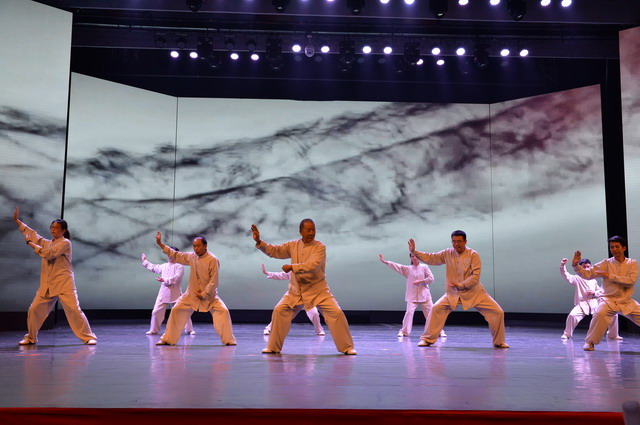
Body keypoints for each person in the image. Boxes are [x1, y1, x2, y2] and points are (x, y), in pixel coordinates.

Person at [251, 219, 356, 355]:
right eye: (308, 230)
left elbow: (313, 265)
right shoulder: (293, 245)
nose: (311, 232)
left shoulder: (319, 247)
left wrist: (292, 267)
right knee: (279, 310)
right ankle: (273, 347)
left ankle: (347, 347)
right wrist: (259, 241)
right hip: (296, 291)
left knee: (336, 313)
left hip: (318, 290)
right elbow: (275, 251)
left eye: (313, 230)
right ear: (300, 231)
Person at [408, 230, 509, 348]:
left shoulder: (473, 255)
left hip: (474, 292)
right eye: (454, 241)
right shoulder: (447, 253)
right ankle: (427, 339)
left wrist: (461, 285)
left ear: (465, 241)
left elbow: (475, 276)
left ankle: (499, 341)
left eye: (459, 241)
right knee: (436, 309)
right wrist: (414, 251)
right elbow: (432, 258)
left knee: (497, 312)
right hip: (453, 293)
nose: (456, 244)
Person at [12, 206, 97, 345]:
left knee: (74, 310)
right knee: (34, 309)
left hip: (64, 283)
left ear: (63, 230)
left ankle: (88, 337)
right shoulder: (48, 243)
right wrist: (18, 221)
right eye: (52, 227)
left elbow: (49, 254)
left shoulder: (65, 243)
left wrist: (30, 244)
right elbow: (34, 235)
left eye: (56, 228)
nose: (53, 230)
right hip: (48, 285)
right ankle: (31, 337)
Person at [154, 232, 236, 346]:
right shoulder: (192, 256)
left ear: (205, 246)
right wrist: (160, 244)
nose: (196, 248)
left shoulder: (212, 259)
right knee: (176, 310)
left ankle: (229, 340)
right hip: (191, 295)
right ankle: (167, 339)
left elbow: (214, 281)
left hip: (210, 297)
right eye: (194, 246)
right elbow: (176, 255)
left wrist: (204, 293)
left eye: (198, 246)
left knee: (223, 311)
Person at [572, 236, 640, 351]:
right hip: (608, 300)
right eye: (612, 247)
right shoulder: (606, 263)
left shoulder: (632, 263)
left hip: (626, 301)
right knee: (599, 314)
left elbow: (631, 280)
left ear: (624, 248)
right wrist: (575, 266)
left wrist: (609, 276)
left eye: (617, 246)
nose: (614, 249)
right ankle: (590, 342)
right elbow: (588, 274)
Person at [379, 253, 447, 338]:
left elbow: (431, 279)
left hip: (424, 295)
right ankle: (404, 331)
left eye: (416, 256)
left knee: (431, 314)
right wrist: (386, 262)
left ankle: (439, 331)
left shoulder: (424, 267)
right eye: (412, 256)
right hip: (412, 296)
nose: (414, 258)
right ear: (411, 258)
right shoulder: (408, 269)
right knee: (409, 313)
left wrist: (421, 281)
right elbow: (398, 266)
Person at [559, 257, 620, 340]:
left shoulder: (593, 280)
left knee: (613, 314)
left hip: (594, 303)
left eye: (588, 266)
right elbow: (566, 275)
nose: (586, 268)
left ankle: (612, 335)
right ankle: (567, 334)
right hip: (582, 304)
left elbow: (600, 291)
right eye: (584, 267)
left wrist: (594, 292)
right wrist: (562, 265)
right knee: (572, 315)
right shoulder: (577, 278)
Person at [140, 249, 195, 336]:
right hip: (163, 292)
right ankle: (154, 330)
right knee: (156, 311)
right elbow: (154, 267)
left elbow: (176, 278)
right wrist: (144, 261)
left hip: (176, 293)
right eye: (169, 255)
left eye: (172, 255)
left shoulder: (179, 266)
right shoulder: (164, 266)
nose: (170, 257)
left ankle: (189, 330)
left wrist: (164, 280)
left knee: (183, 311)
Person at [261, 264, 325, 336]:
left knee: (314, 313)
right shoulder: (294, 269)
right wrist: (267, 273)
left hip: (307, 297)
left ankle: (319, 330)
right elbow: (282, 275)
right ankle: (269, 328)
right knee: (280, 311)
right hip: (293, 295)